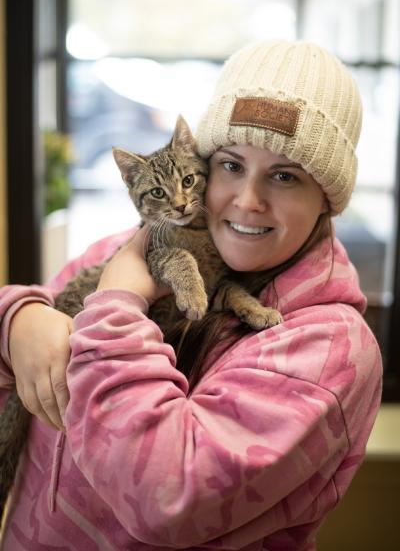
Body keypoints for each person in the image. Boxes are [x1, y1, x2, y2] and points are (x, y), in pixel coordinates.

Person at [0, 40, 382, 550]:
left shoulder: (329, 349)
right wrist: (19, 321)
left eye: (285, 176)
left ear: (327, 200)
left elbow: (164, 500)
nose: (248, 201)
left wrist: (116, 306)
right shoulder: (123, 249)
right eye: (229, 165)